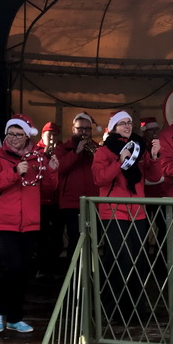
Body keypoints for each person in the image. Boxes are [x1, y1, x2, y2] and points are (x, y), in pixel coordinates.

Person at [0, 115, 59, 334]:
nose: (14, 138)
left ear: (27, 136)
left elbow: (48, 189)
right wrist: (14, 172)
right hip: (2, 221)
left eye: (19, 134)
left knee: (23, 270)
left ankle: (15, 317)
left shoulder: (38, 158)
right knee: (12, 266)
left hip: (30, 222)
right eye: (11, 134)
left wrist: (52, 170)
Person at [92, 111, 162, 322]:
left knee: (138, 262)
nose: (127, 126)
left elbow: (154, 176)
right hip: (114, 212)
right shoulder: (104, 152)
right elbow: (99, 179)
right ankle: (108, 309)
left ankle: (134, 312)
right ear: (113, 127)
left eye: (129, 123)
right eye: (122, 123)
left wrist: (156, 157)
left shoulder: (138, 149)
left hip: (137, 212)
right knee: (119, 261)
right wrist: (119, 162)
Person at [54, 112, 99, 264]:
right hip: (71, 203)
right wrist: (76, 152)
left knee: (93, 238)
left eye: (87, 129)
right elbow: (58, 169)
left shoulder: (96, 148)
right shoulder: (62, 149)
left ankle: (90, 275)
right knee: (76, 238)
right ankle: (74, 276)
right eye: (80, 129)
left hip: (93, 202)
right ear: (73, 129)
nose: (84, 133)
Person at [36, 121, 65, 278]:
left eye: (55, 135)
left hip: (57, 200)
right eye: (49, 135)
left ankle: (53, 267)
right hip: (41, 201)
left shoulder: (61, 150)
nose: (52, 138)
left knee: (57, 236)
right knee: (42, 236)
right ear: (43, 136)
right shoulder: (36, 151)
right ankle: (42, 267)